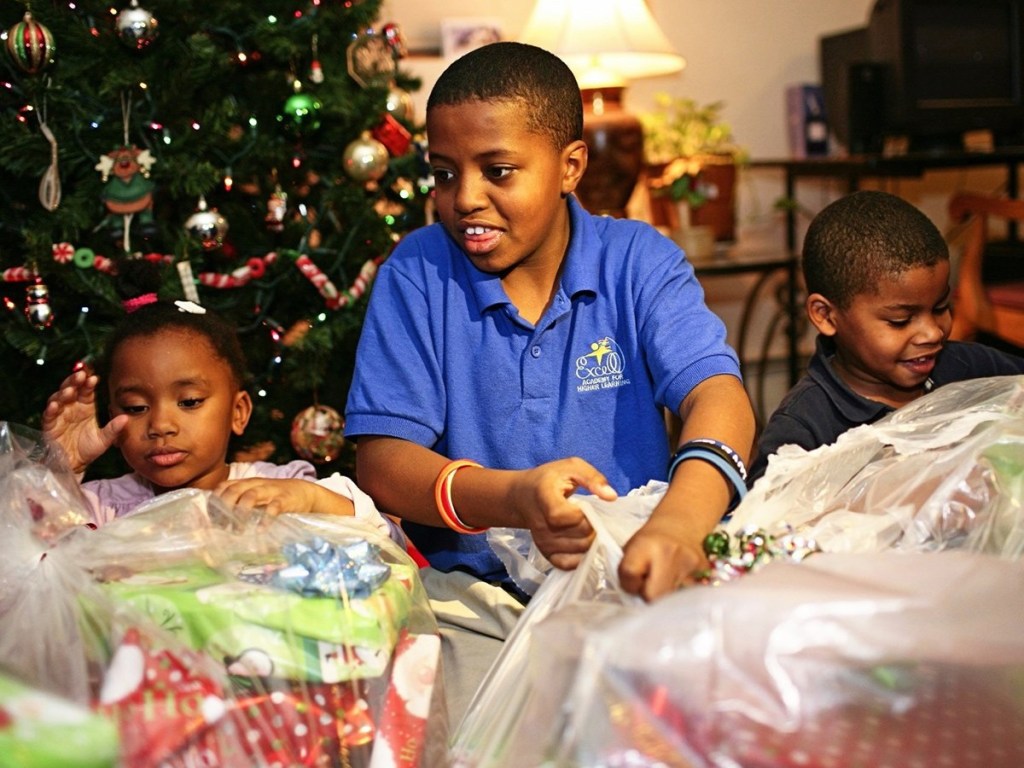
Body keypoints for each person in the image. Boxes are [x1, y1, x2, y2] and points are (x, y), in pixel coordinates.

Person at [344, 42, 756, 722]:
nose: (464, 199)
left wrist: (679, 527)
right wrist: (515, 499)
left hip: (636, 583)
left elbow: (719, 398)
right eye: (443, 175)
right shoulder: (417, 274)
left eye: (498, 171)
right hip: (471, 605)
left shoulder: (638, 261)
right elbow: (384, 463)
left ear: (570, 166)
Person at [42, 260, 397, 540]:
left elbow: (385, 539)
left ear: (238, 411)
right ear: (112, 419)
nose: (161, 426)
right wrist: (61, 472)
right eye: (136, 407)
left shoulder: (275, 487)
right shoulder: (101, 507)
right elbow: (25, 572)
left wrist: (311, 500)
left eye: (190, 401)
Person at [747, 190, 1024, 487]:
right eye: (900, 321)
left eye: (941, 307)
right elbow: (763, 520)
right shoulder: (806, 425)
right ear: (826, 316)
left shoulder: (966, 367)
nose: (933, 333)